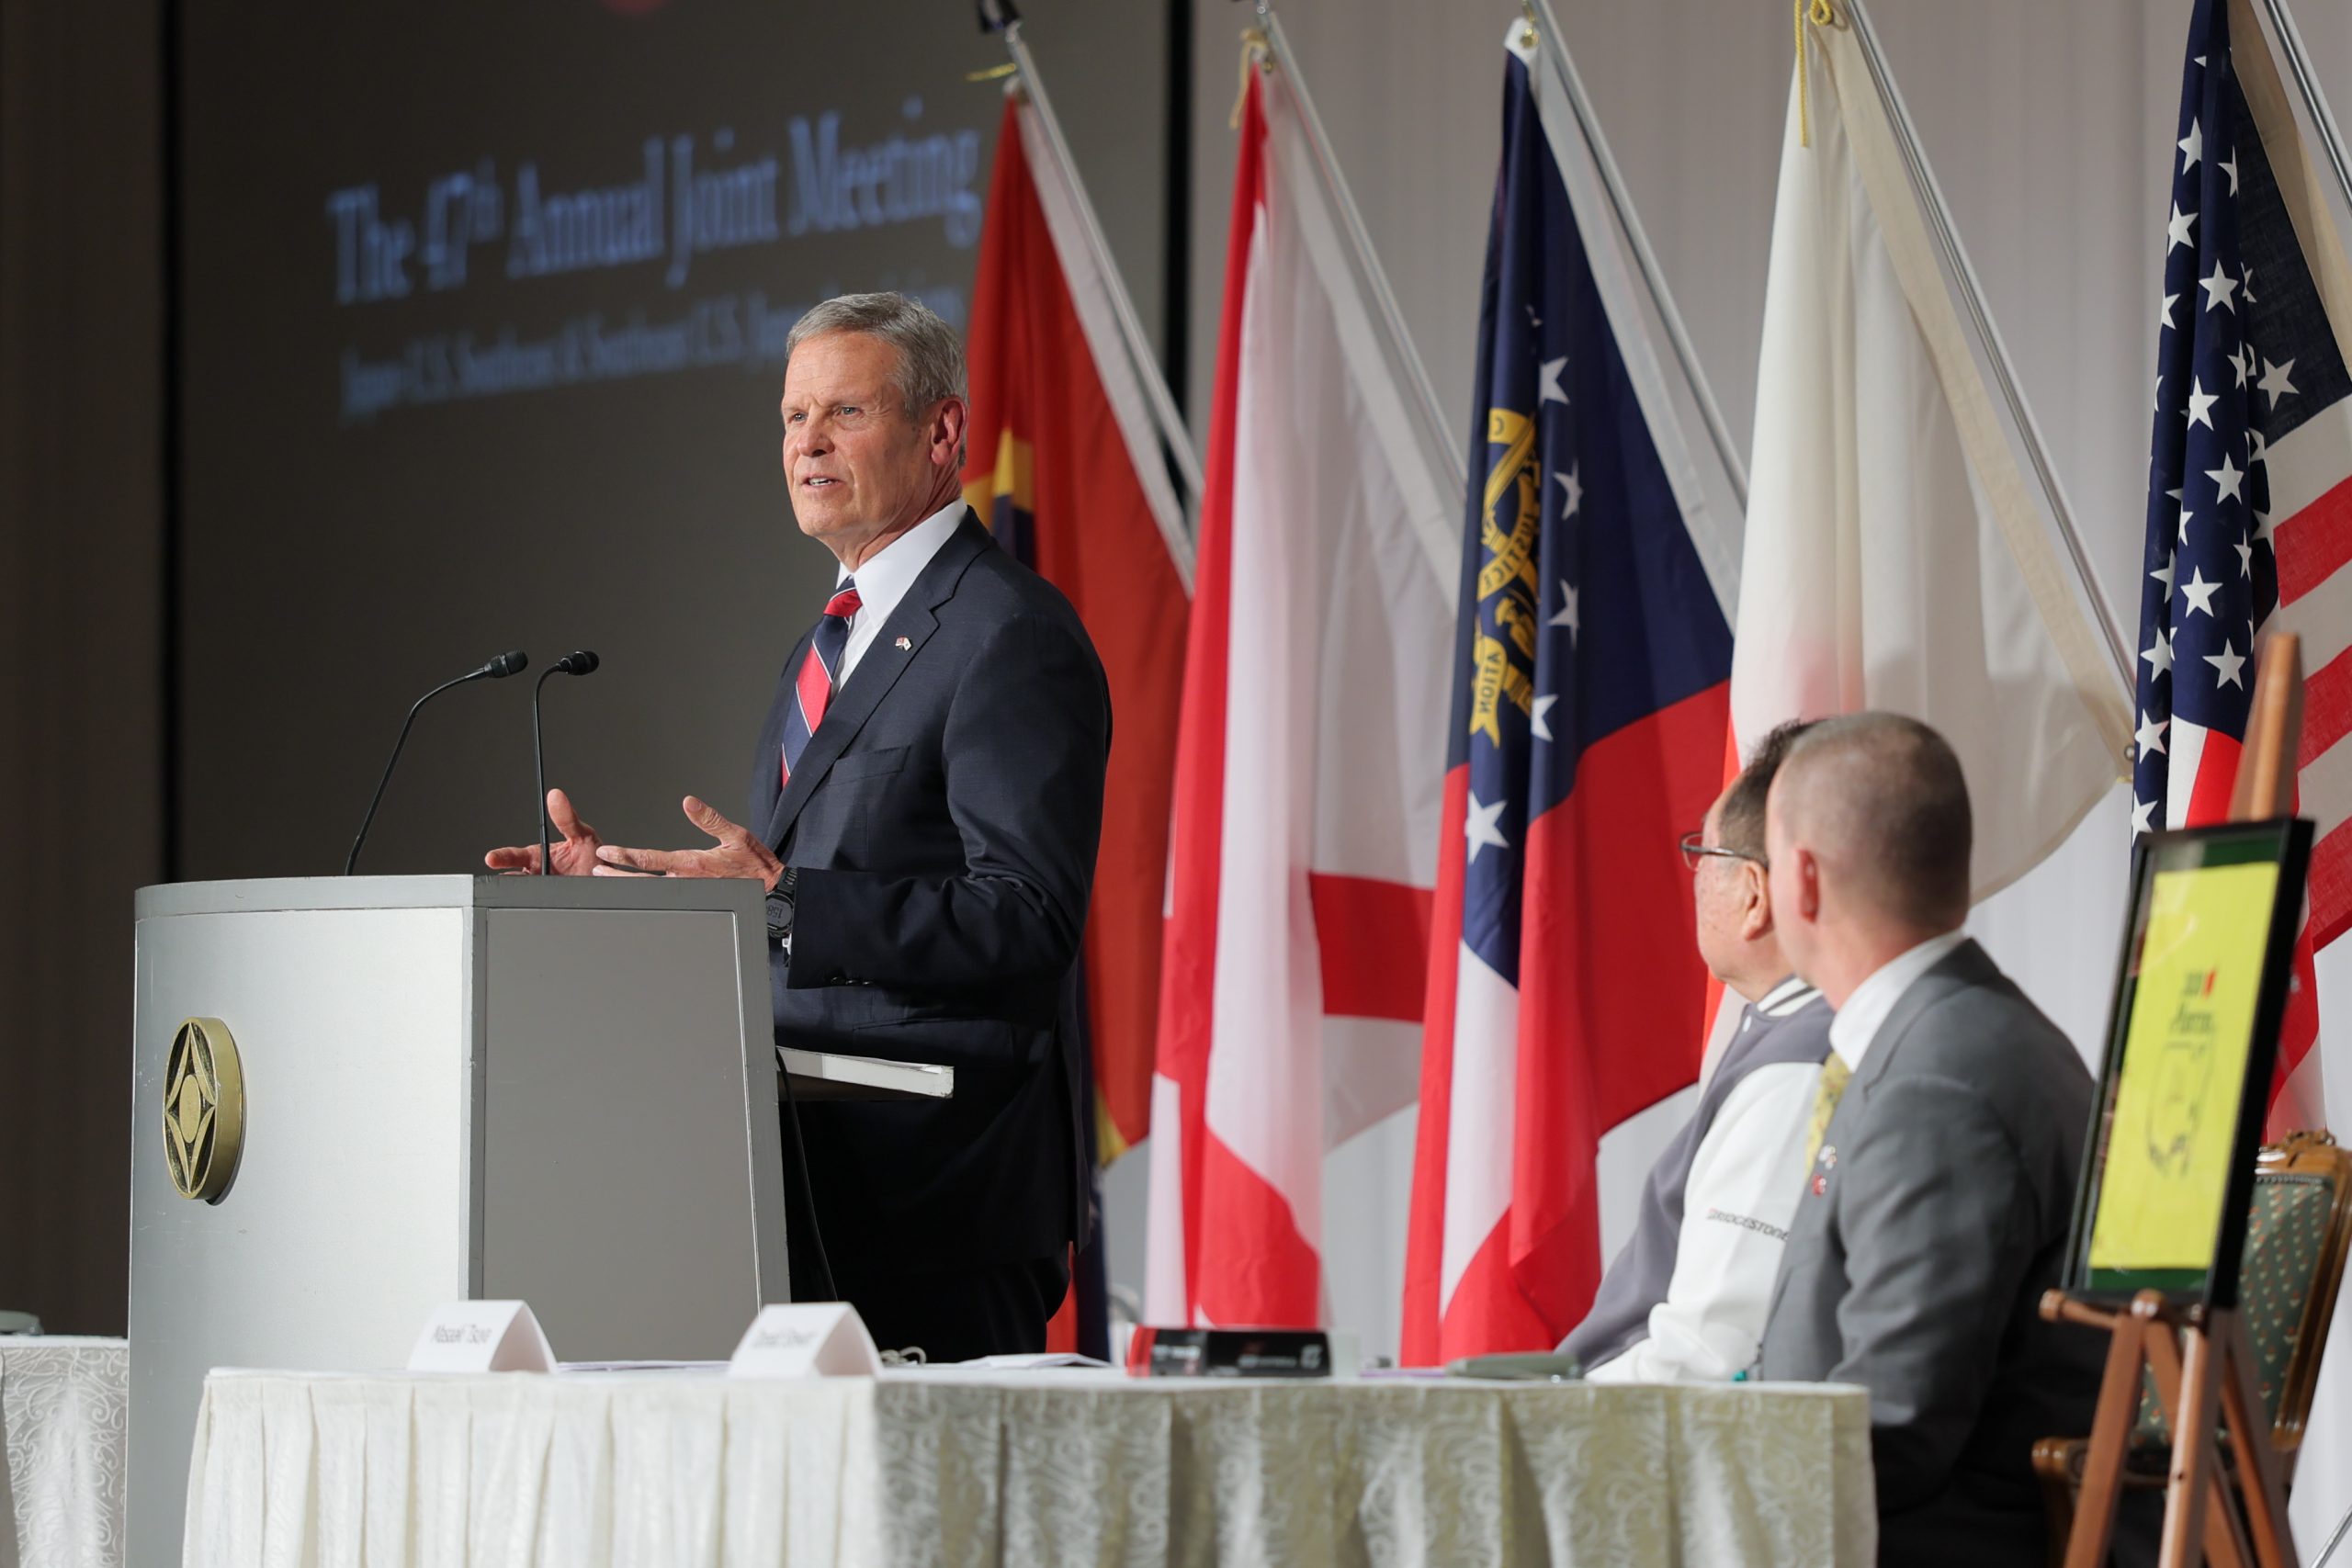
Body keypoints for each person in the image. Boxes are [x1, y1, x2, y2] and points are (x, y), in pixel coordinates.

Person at [487, 292, 1109, 1362]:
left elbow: (1026, 916)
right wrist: (630, 886)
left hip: (937, 1198)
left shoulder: (1009, 635)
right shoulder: (825, 644)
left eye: (842, 414)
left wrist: (780, 901)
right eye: (791, 418)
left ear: (942, 434)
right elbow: (786, 890)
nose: (806, 444)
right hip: (806, 1178)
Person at [1757, 713, 2101, 1566]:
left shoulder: (1936, 1081)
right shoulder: (1951, 1033)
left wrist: (1689, 1489)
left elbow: (1895, 1425)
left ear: (1803, 879)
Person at [1561, 720, 1832, 1382]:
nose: (1693, 879)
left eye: (1701, 855)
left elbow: (1705, 1357)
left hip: (1631, 1441)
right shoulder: (1792, 1033)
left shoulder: (1798, 1065)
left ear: (1753, 894)